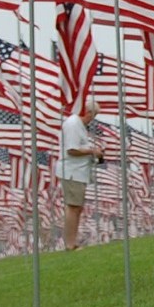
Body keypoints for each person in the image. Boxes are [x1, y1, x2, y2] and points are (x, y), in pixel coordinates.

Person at [58, 99, 102, 250]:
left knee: (77, 207)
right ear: (88, 112)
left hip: (79, 173)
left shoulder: (79, 126)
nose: (93, 119)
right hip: (72, 172)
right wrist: (92, 151)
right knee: (72, 207)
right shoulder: (73, 123)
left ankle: (72, 242)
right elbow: (72, 149)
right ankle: (69, 244)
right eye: (93, 115)